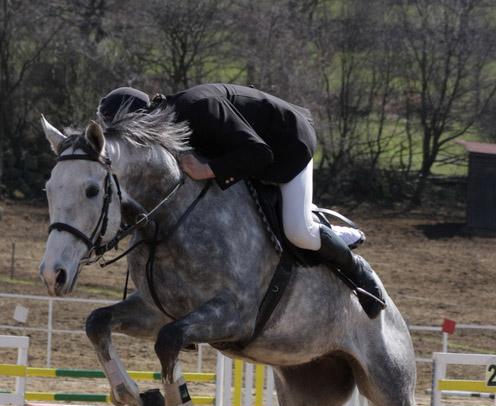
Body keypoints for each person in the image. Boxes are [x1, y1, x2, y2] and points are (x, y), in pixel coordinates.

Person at [97, 84, 385, 318]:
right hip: (246, 154)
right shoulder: (167, 132)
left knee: (298, 230)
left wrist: (208, 170)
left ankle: (359, 272)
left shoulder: (198, 107)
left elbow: (259, 153)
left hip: (287, 143)